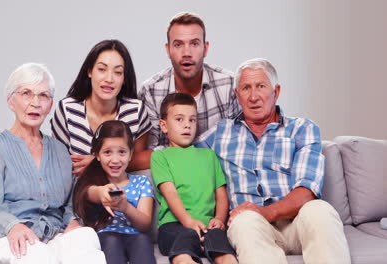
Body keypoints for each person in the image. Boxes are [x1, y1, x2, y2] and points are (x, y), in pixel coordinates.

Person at [196, 58, 351, 263]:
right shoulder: (220, 133)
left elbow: (306, 192)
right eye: (245, 88)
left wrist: (265, 211)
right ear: (237, 96)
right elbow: (180, 151)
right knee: (245, 221)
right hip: (251, 226)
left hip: (296, 223)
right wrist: (139, 155)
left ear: (276, 92)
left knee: (320, 209)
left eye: (261, 86)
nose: (253, 96)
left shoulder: (302, 129)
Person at [0, 63, 106, 263]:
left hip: (49, 235)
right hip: (1, 235)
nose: (36, 102)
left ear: (50, 104)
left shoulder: (60, 151)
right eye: (26, 93)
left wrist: (72, 220)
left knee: (86, 236)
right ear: (11, 101)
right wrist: (12, 226)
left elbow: (71, 201)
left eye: (43, 95)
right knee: (36, 254)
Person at [151, 93, 237, 264]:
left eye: (192, 120)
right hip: (173, 227)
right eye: (179, 119)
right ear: (164, 125)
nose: (187, 126)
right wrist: (188, 222)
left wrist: (219, 219)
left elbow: (221, 194)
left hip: (207, 228)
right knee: (186, 241)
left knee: (222, 247)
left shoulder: (209, 156)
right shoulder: (160, 157)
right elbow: (170, 194)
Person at [139, 12, 240, 149]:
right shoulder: (150, 91)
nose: (186, 53)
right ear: (168, 50)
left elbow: (239, 145)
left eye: (194, 44)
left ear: (205, 48)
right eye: (178, 45)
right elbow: (149, 153)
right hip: (170, 170)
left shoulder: (229, 85)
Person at [51, 40, 152, 173]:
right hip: (76, 192)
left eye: (118, 72)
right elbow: (58, 166)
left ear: (124, 78)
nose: (109, 79)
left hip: (122, 192)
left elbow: (135, 167)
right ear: (90, 71)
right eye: (102, 69)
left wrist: (96, 164)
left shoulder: (136, 111)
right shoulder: (67, 109)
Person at [72, 120, 156, 264]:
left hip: (135, 235)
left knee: (142, 240)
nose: (115, 160)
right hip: (106, 236)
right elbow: (88, 192)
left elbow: (145, 224)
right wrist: (101, 193)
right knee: (111, 241)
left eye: (122, 152)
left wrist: (126, 208)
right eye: (107, 152)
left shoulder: (141, 182)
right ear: (97, 155)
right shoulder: (94, 182)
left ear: (130, 155)